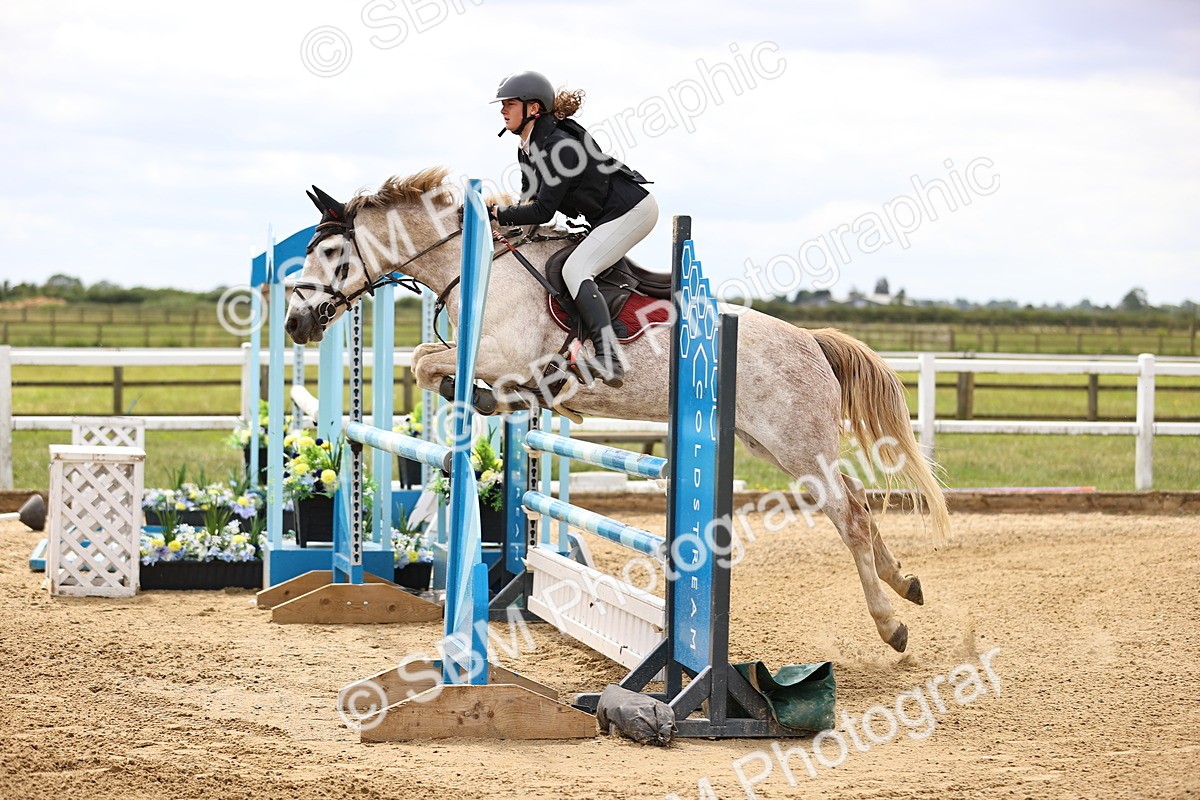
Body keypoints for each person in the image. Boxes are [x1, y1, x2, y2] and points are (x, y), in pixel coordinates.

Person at [490, 71, 658, 388]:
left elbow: (542, 210)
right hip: (607, 215)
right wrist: (497, 223)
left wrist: (497, 212)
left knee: (576, 268)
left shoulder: (558, 147)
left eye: (509, 104)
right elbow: (529, 203)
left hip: (632, 211)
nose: (503, 110)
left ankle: (609, 358)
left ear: (533, 108)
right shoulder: (527, 148)